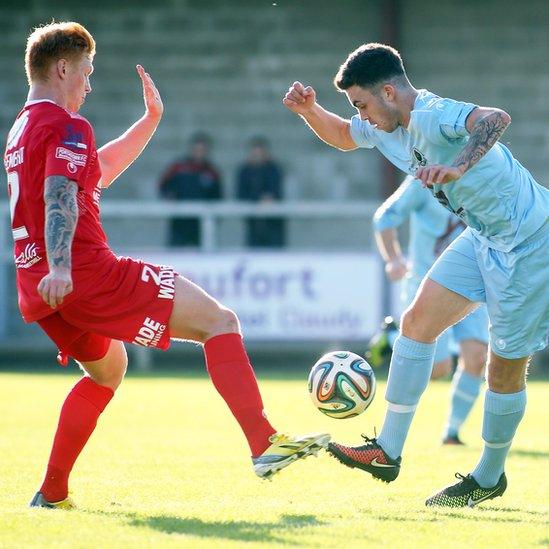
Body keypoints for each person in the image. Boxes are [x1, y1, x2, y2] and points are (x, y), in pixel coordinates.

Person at [4, 21, 329, 510]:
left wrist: (150, 120)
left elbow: (99, 172)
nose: (90, 85)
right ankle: (263, 442)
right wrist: (65, 267)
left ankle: (51, 493)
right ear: (63, 67)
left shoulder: (22, 128)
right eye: (87, 73)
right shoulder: (68, 125)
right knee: (221, 322)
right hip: (85, 275)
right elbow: (60, 194)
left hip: (38, 287)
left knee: (108, 371)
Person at [283, 43, 548, 507]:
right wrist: (310, 112)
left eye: (362, 103)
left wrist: (458, 166)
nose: (360, 115)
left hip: (532, 244)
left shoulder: (431, 113)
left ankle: (488, 476)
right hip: (484, 237)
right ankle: (387, 450)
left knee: (502, 367)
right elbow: (345, 135)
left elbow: (496, 118)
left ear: (389, 92)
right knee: (415, 324)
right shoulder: (382, 126)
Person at [371, 175, 488, 444]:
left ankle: (452, 433)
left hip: (473, 284)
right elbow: (385, 217)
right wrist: (394, 259)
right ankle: (391, 339)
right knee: (439, 367)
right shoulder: (423, 181)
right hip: (428, 284)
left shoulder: (485, 177)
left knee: (477, 357)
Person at [158, 133, 222, 247]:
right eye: (197, 149)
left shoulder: (212, 171)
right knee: (176, 253)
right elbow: (163, 185)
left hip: (201, 224)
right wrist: (169, 196)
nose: (199, 153)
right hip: (179, 221)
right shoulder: (178, 167)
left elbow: (218, 196)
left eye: (202, 150)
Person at [236, 136, 286, 248]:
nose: (258, 157)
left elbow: (277, 192)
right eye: (255, 154)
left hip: (274, 225)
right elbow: (241, 194)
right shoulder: (244, 171)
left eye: (260, 153)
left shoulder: (274, 170)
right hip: (253, 225)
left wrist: (269, 199)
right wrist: (258, 199)